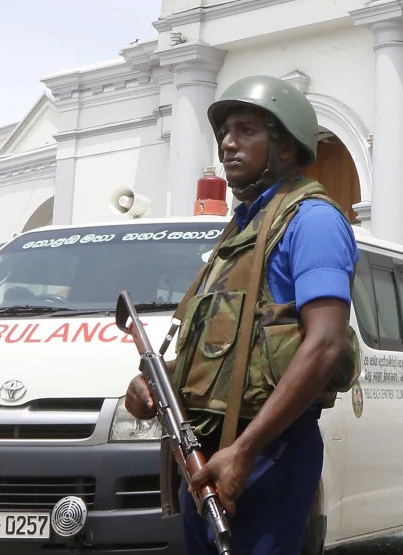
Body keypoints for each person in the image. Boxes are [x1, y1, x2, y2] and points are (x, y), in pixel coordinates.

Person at [124, 76, 359, 555]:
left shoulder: (312, 220)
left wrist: (244, 452)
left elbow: (327, 343)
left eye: (246, 130)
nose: (227, 143)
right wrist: (158, 381)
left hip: (267, 453)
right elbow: (232, 350)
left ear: (287, 148)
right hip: (209, 454)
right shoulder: (239, 231)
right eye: (225, 132)